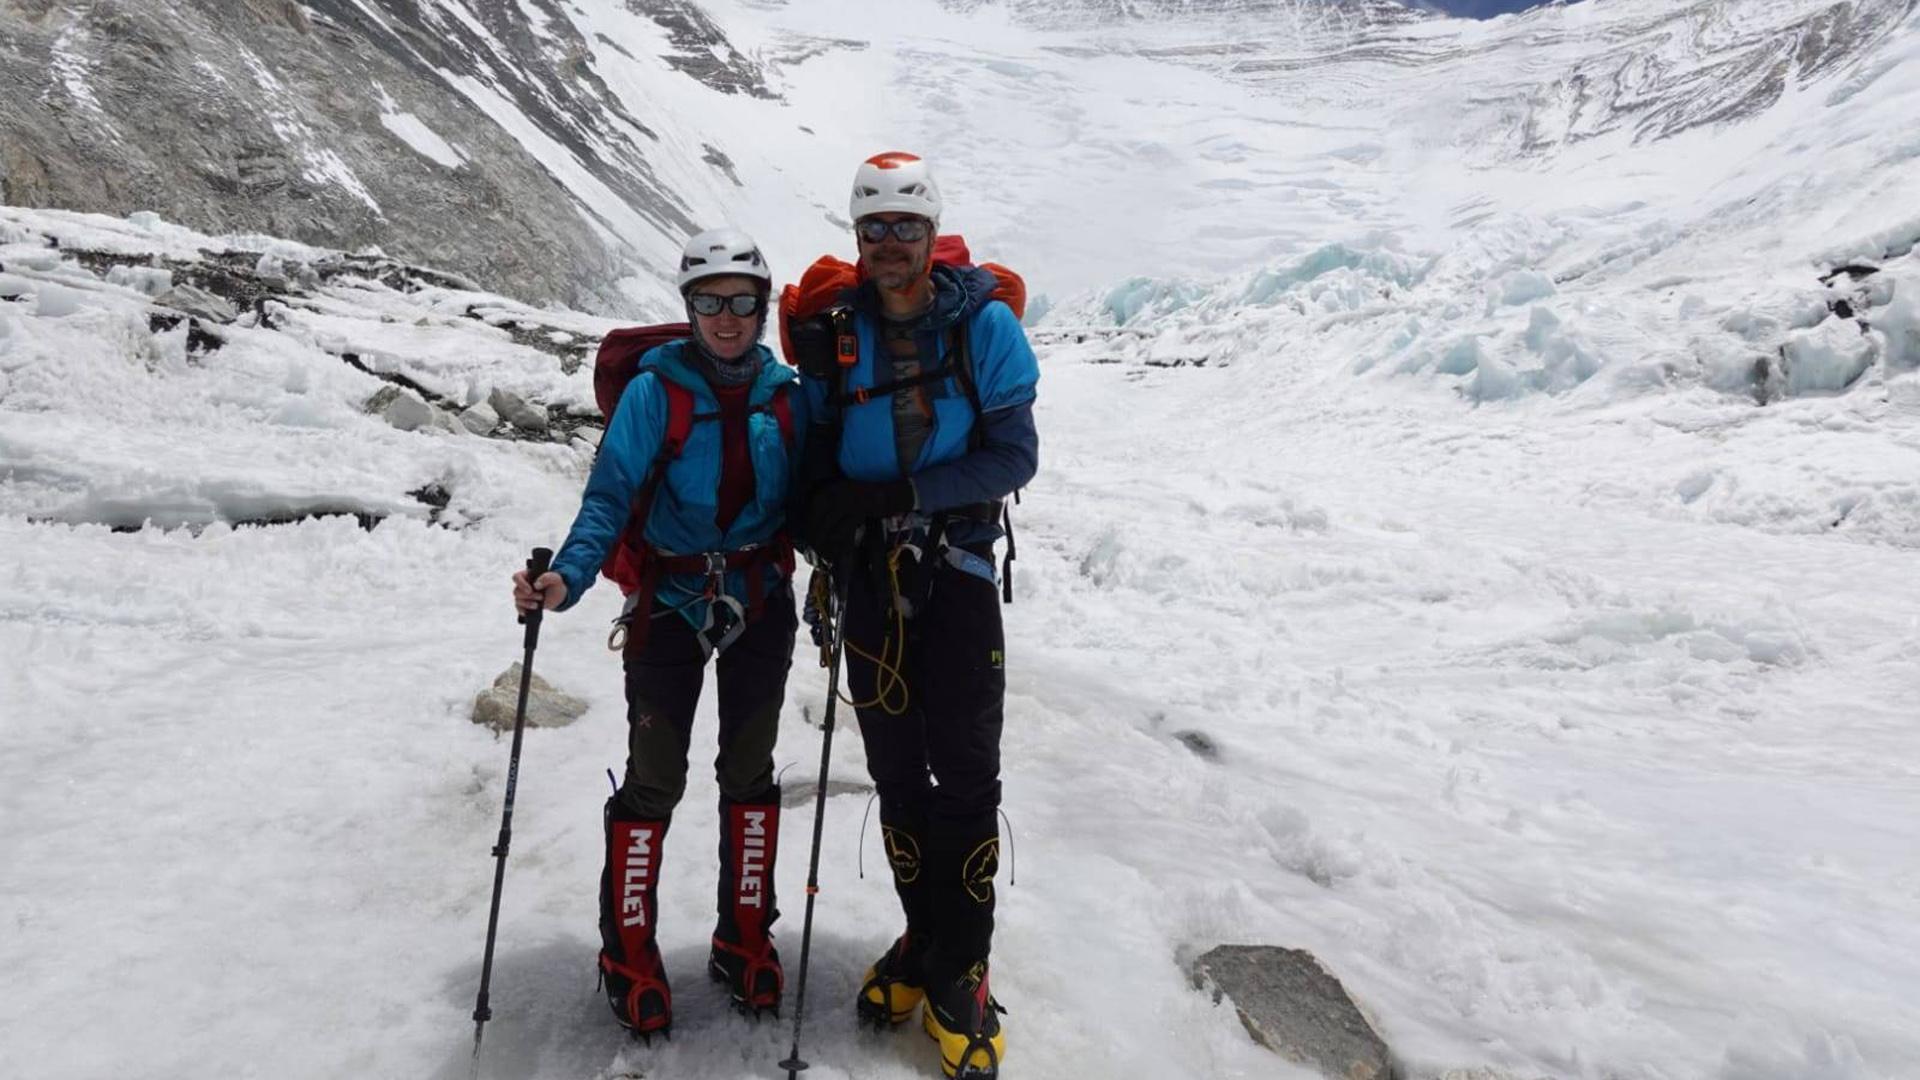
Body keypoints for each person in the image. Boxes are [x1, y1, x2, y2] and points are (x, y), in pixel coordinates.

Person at [512, 227, 807, 1040]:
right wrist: (565, 579)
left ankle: (744, 935)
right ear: (688, 307)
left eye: (741, 302)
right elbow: (608, 497)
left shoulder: (789, 397)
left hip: (759, 599)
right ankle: (628, 949)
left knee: (748, 771)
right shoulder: (656, 392)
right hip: (671, 600)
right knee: (655, 780)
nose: (726, 317)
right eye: (709, 302)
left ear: (762, 308)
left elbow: (815, 498)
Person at [790, 151, 1039, 1079]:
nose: (889, 245)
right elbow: (812, 439)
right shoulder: (835, 332)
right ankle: (927, 942)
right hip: (865, 580)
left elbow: (1015, 455)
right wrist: (820, 508)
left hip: (958, 572)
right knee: (897, 769)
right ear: (856, 240)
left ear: (933, 236)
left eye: (906, 227)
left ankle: (959, 967)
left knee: (967, 772)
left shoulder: (985, 327)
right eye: (873, 229)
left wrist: (903, 490)